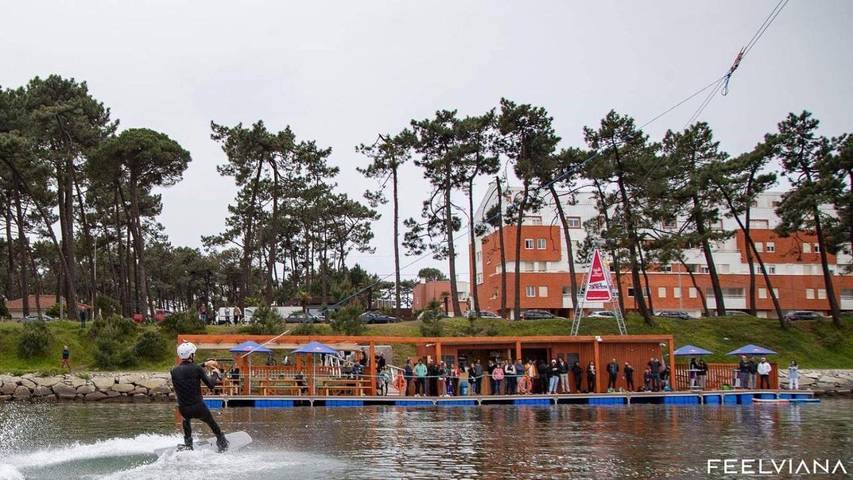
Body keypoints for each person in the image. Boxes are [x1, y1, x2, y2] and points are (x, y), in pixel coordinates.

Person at [171, 342, 228, 452]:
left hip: (183, 408)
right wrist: (215, 374)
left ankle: (188, 444)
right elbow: (211, 385)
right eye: (194, 353)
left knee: (186, 421)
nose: (195, 355)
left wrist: (205, 364)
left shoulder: (173, 371)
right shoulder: (197, 369)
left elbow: (187, 369)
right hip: (198, 407)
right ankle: (221, 441)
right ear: (191, 355)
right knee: (211, 422)